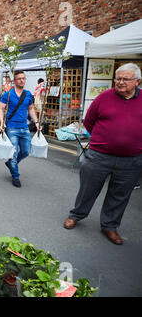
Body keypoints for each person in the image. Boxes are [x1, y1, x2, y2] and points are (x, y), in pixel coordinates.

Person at [63, 63, 142, 245]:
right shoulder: (104, 97)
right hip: (99, 156)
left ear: (137, 81)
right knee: (87, 189)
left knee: (120, 194)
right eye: (118, 78)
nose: (120, 82)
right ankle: (76, 215)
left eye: (125, 79)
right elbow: (89, 122)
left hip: (131, 160)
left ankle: (109, 226)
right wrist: (104, 141)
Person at [0, 71, 41, 188]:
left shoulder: (28, 94)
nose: (22, 80)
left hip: (24, 127)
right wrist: (2, 122)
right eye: (19, 79)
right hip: (11, 128)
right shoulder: (8, 94)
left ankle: (11, 163)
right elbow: (1, 109)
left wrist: (36, 122)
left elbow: (31, 109)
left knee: (26, 151)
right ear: (14, 81)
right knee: (14, 152)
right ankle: (15, 175)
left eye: (23, 78)